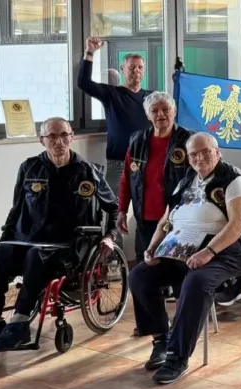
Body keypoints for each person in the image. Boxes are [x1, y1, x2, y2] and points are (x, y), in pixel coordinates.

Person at [128, 133, 241, 384]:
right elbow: (166, 221)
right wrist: (152, 249)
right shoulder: (186, 182)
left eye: (205, 152)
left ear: (218, 152)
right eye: (193, 154)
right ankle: (162, 339)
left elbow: (240, 223)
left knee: (196, 281)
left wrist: (209, 252)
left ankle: (178, 357)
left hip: (227, 249)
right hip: (183, 248)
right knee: (139, 275)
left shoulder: (235, 180)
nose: (199, 158)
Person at [0, 118, 118, 352]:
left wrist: (110, 235)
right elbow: (17, 208)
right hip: (28, 238)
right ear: (42, 141)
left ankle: (20, 322)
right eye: (52, 136)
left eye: (63, 135)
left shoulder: (87, 171)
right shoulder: (29, 168)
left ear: (72, 137)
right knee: (1, 253)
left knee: (35, 256)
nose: (58, 141)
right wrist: (6, 238)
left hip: (67, 245)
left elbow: (112, 206)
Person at [77, 36, 152, 248]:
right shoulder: (112, 94)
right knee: (112, 213)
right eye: (131, 67)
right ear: (123, 68)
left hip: (147, 166)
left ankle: (144, 258)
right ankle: (111, 260)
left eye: (140, 67)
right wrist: (90, 53)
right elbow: (83, 83)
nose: (136, 71)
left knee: (146, 215)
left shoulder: (152, 98)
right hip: (118, 166)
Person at [118, 91, 193, 262]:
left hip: (179, 219)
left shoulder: (189, 140)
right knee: (143, 266)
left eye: (166, 109)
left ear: (174, 111)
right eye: (154, 110)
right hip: (145, 218)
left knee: (175, 267)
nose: (161, 114)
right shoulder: (137, 141)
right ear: (147, 115)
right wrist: (122, 210)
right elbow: (127, 178)